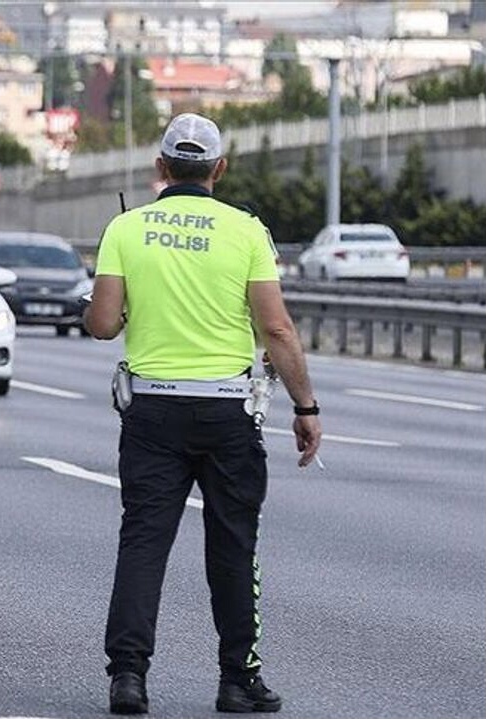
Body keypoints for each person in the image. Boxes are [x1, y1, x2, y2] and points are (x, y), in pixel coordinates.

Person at [84, 113, 322, 715]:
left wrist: (130, 305)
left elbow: (102, 325)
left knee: (143, 542)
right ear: (219, 168)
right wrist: (306, 405)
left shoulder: (125, 228)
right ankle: (237, 680)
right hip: (227, 413)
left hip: (153, 410)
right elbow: (275, 328)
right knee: (233, 545)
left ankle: (129, 679)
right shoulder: (247, 231)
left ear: (160, 167)